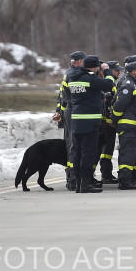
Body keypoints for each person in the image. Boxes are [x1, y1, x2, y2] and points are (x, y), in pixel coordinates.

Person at [68, 55, 115, 193]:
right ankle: (86, 184)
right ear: (95, 67)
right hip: (90, 121)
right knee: (88, 153)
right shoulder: (90, 78)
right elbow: (109, 84)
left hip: (76, 120)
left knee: (77, 153)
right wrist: (107, 72)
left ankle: (77, 183)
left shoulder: (72, 78)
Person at [53, 50, 85, 191]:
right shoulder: (73, 75)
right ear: (78, 62)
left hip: (68, 111)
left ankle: (72, 178)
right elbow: (64, 96)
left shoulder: (69, 74)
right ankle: (72, 179)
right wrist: (61, 111)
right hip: (72, 111)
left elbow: (61, 97)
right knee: (73, 144)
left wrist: (59, 111)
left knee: (72, 143)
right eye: (83, 61)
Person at [112, 62, 136, 190]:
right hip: (127, 125)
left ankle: (127, 179)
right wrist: (115, 118)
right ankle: (125, 181)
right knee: (127, 153)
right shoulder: (128, 84)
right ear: (132, 71)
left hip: (133, 125)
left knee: (130, 152)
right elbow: (120, 104)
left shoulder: (133, 83)